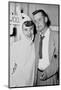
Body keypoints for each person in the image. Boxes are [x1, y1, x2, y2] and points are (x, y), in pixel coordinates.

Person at [32, 9, 59, 86]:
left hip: (50, 77)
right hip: (37, 76)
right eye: (35, 21)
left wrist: (47, 73)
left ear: (46, 19)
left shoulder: (56, 36)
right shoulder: (36, 37)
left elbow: (58, 58)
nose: (37, 23)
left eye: (39, 20)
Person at [10, 13, 35, 87]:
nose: (29, 33)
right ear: (21, 31)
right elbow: (10, 68)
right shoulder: (15, 46)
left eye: (31, 29)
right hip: (16, 83)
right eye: (25, 30)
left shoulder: (35, 46)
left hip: (31, 83)